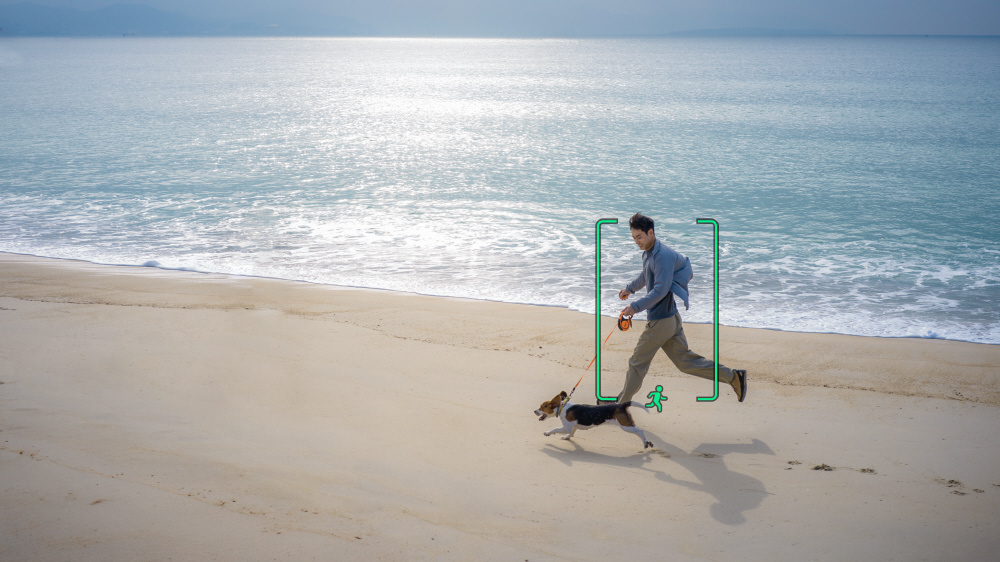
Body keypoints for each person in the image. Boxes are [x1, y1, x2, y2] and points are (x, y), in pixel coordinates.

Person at [616, 213, 746, 404]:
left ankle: (619, 407)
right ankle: (733, 377)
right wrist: (629, 289)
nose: (637, 242)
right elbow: (645, 275)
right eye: (634, 238)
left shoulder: (663, 256)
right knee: (686, 362)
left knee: (637, 362)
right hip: (670, 319)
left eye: (639, 237)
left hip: (660, 321)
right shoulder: (648, 253)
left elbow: (660, 290)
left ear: (650, 232)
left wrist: (634, 308)